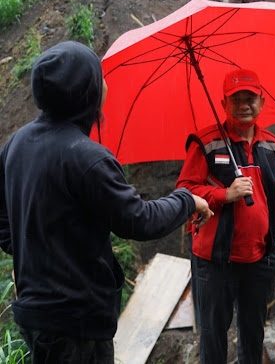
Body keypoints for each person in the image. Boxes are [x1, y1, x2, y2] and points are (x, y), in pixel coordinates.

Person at [0, 41, 214, 364]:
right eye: (99, 78)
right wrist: (187, 200)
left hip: (35, 315)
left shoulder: (16, 145)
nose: (107, 85)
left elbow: (3, 220)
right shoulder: (87, 159)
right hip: (77, 325)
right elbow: (139, 220)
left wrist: (26, 256)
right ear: (84, 90)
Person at [176, 68, 275, 364]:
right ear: (224, 104)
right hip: (215, 261)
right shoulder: (207, 143)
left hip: (260, 258)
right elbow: (185, 189)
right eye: (235, 99)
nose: (244, 105)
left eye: (250, 98)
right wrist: (225, 194)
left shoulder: (272, 146)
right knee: (213, 335)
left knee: (253, 333)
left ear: (262, 102)